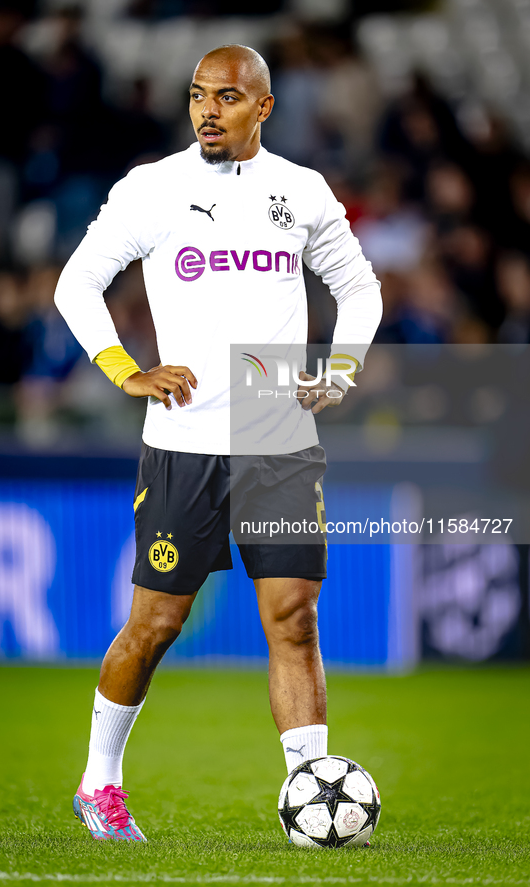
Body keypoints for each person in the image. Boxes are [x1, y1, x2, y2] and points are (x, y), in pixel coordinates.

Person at [54, 44, 382, 843]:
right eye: (198, 95)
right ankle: (99, 781)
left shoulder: (299, 191)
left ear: (262, 108)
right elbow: (76, 283)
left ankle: (311, 793)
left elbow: (358, 287)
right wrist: (123, 368)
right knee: (155, 626)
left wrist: (338, 369)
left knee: (294, 618)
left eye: (226, 97)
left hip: (278, 435)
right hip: (184, 442)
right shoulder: (151, 187)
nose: (207, 109)